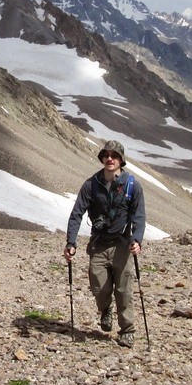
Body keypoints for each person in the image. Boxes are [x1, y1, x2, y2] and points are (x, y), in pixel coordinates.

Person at [64, 140, 146, 348]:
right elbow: (76, 214)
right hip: (99, 244)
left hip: (122, 245)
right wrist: (71, 242)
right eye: (106, 155)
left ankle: (127, 330)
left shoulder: (132, 186)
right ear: (102, 158)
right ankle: (106, 310)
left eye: (115, 155)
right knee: (99, 287)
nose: (110, 158)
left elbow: (139, 215)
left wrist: (137, 239)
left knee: (124, 289)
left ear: (121, 160)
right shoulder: (91, 185)